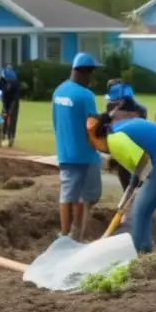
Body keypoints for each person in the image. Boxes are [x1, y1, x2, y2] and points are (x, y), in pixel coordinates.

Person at [87, 97, 156, 253]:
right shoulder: (116, 130)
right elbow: (138, 167)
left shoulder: (114, 140)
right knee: (144, 210)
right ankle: (145, 250)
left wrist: (139, 184)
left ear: (97, 139)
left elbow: (144, 165)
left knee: (139, 210)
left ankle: (134, 254)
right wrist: (134, 184)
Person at [52, 52, 103, 241]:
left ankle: (65, 234)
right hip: (84, 155)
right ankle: (75, 237)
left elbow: (55, 122)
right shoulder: (85, 96)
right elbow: (93, 127)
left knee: (67, 195)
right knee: (88, 196)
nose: (91, 78)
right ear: (85, 72)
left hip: (65, 152)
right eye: (91, 73)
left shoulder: (58, 91)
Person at [0, 64, 20, 146]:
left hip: (11, 96)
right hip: (12, 97)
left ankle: (6, 134)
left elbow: (1, 93)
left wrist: (5, 107)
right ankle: (8, 135)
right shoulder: (13, 75)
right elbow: (0, 92)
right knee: (10, 116)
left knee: (7, 115)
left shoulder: (4, 76)